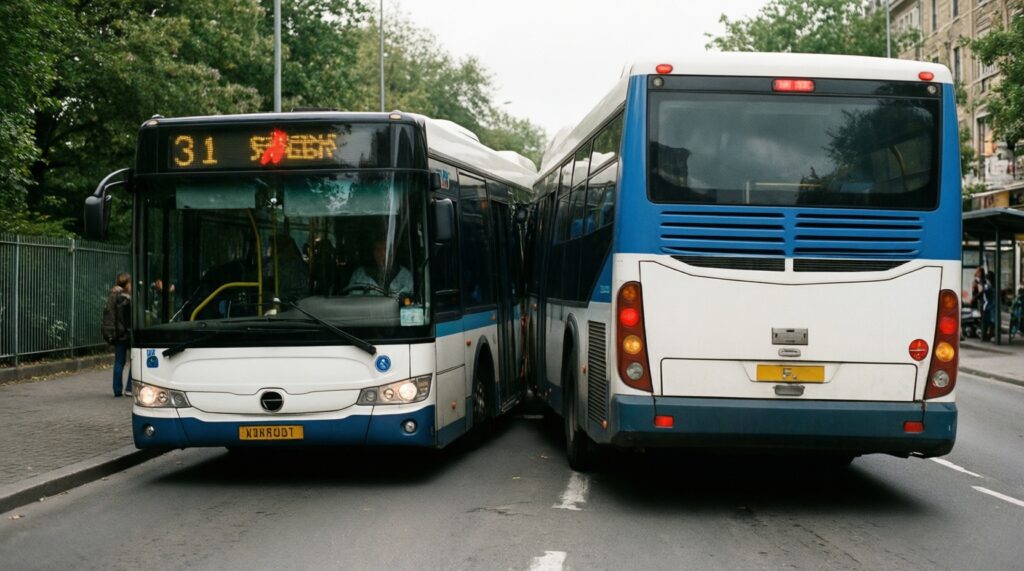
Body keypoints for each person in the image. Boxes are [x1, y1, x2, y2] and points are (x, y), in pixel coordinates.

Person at [346, 238, 412, 296]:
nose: (380, 253)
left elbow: (409, 304)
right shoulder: (359, 275)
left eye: (384, 249)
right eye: (377, 249)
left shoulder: (405, 276)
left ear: (393, 252)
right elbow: (354, 301)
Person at [102, 272, 132, 397]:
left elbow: (109, 314)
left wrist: (111, 332)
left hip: (119, 334)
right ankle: (130, 388)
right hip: (130, 333)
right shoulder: (132, 296)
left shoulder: (113, 296)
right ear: (127, 284)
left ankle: (117, 389)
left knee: (119, 362)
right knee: (134, 361)